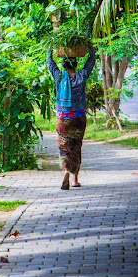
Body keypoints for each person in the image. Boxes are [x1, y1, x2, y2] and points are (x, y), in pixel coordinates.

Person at [47, 44, 96, 190]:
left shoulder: (59, 77)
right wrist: (89, 46)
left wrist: (51, 46)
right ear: (75, 65)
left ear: (63, 65)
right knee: (76, 147)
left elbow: (50, 62)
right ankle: (74, 179)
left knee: (64, 147)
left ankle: (65, 172)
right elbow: (91, 60)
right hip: (79, 118)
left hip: (63, 119)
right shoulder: (81, 76)